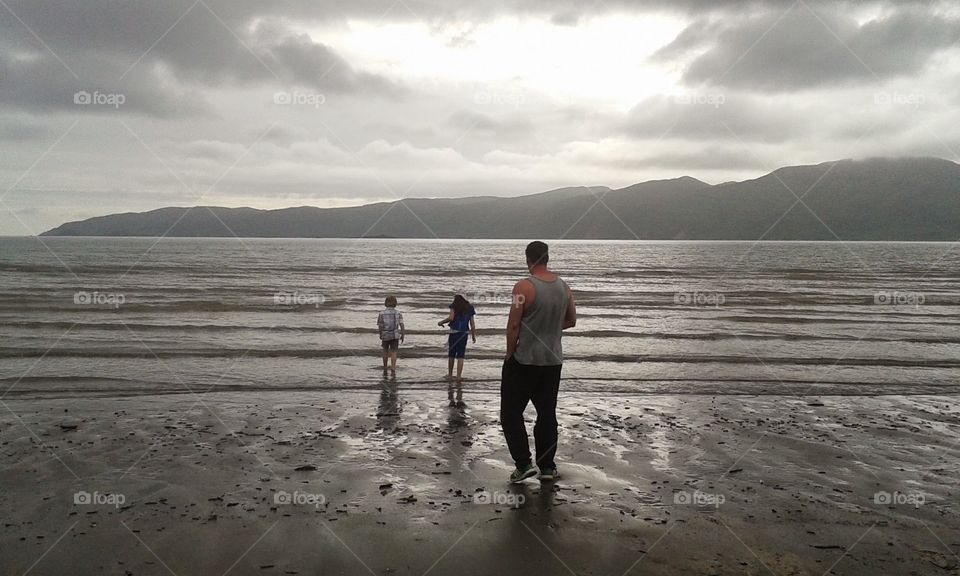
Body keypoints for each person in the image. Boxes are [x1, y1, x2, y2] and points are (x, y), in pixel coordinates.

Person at [501, 241, 576, 484]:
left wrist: (509, 354)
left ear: (528, 259)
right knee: (546, 414)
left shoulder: (524, 286)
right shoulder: (564, 287)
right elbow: (571, 320)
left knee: (511, 413)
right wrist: (549, 327)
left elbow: (513, 325)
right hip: (552, 360)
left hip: (525, 360)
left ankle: (523, 464)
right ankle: (546, 467)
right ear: (547, 258)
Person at [438, 295, 476, 397]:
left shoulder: (454, 306)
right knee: (461, 355)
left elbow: (451, 318)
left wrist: (441, 322)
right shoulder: (470, 308)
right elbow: (472, 324)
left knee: (451, 354)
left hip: (454, 333)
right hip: (464, 334)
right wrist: (473, 335)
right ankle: (459, 376)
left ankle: (450, 375)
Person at [377, 295, 405, 373]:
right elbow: (402, 325)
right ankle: (393, 367)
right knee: (394, 352)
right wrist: (403, 334)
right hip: (395, 335)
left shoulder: (381, 313)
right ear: (395, 303)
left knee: (385, 351)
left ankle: (385, 366)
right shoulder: (398, 313)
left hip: (385, 335)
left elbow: (380, 326)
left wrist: (380, 334)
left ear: (385, 303)